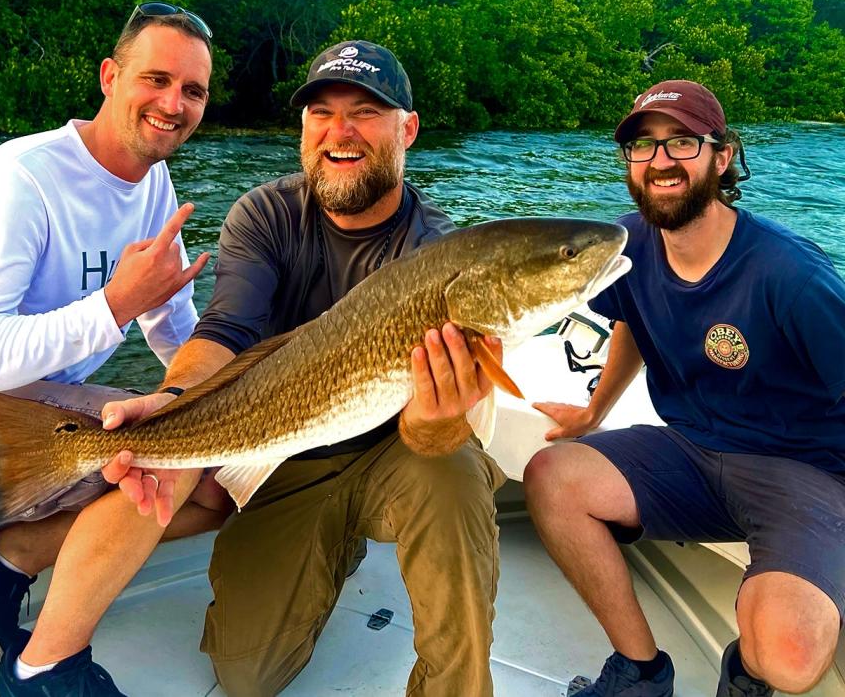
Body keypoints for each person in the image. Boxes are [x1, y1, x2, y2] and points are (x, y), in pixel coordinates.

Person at [103, 40, 507, 696]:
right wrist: (173, 401)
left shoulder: (436, 250)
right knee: (245, 673)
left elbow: (438, 432)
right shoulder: (265, 214)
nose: (339, 132)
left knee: (454, 469)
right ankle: (331, 545)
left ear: (407, 129)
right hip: (286, 456)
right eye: (321, 111)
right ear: (302, 128)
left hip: (396, 451)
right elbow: (226, 330)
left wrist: (439, 423)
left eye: (366, 112)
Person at [0, 2, 229, 696]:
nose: (174, 103)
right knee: (168, 450)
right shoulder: (21, 180)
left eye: (192, 90)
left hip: (30, 421)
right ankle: (41, 669)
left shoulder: (154, 186)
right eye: (156, 79)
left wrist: (243, 402)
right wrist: (113, 305)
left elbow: (173, 332)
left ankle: (5, 561)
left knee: (222, 477)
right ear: (109, 75)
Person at [524, 79, 845, 696]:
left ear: (722, 157)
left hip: (802, 472)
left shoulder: (791, 274)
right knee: (552, 476)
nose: (660, 161)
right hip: (689, 452)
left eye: (681, 143)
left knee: (791, 657)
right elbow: (632, 324)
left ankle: (748, 675)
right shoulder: (625, 244)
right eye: (643, 147)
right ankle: (641, 672)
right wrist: (593, 415)